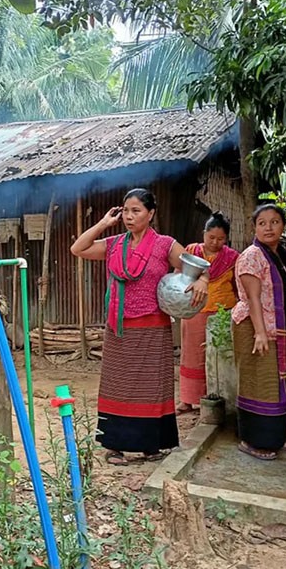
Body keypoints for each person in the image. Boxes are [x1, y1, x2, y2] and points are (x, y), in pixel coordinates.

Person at [70, 188, 209, 465]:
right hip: (119, 329)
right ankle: (115, 446)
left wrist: (203, 281)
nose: (129, 216)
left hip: (153, 329)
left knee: (151, 387)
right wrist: (103, 223)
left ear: (151, 213)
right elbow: (78, 249)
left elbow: (198, 268)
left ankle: (151, 445)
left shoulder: (165, 245)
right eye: (126, 211)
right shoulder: (114, 244)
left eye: (136, 211)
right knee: (118, 387)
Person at [231, 203, 286, 461]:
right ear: (254, 228)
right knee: (261, 385)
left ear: (283, 226)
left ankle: (276, 436)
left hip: (280, 330)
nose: (268, 227)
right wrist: (260, 333)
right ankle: (253, 440)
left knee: (280, 385)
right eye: (262, 223)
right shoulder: (252, 255)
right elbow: (253, 298)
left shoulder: (283, 258)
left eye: (274, 222)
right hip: (255, 327)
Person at [176, 212, 240, 414]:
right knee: (191, 355)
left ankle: (216, 397)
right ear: (203, 234)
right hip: (194, 311)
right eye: (211, 237)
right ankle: (187, 400)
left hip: (222, 314)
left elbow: (238, 286)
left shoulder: (233, 258)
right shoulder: (191, 251)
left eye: (221, 239)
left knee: (218, 355)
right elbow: (178, 277)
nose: (215, 242)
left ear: (227, 239)